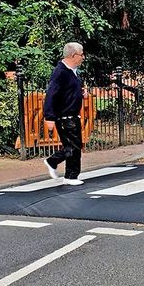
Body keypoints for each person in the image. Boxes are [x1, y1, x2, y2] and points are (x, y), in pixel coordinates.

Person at [43, 42, 87, 186]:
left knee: (74, 146)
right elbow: (51, 94)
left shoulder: (72, 71)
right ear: (73, 55)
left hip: (72, 115)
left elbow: (69, 91)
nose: (83, 57)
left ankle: (70, 174)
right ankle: (56, 164)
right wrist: (49, 116)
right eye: (81, 55)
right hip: (65, 117)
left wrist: (82, 94)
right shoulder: (60, 72)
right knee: (73, 147)